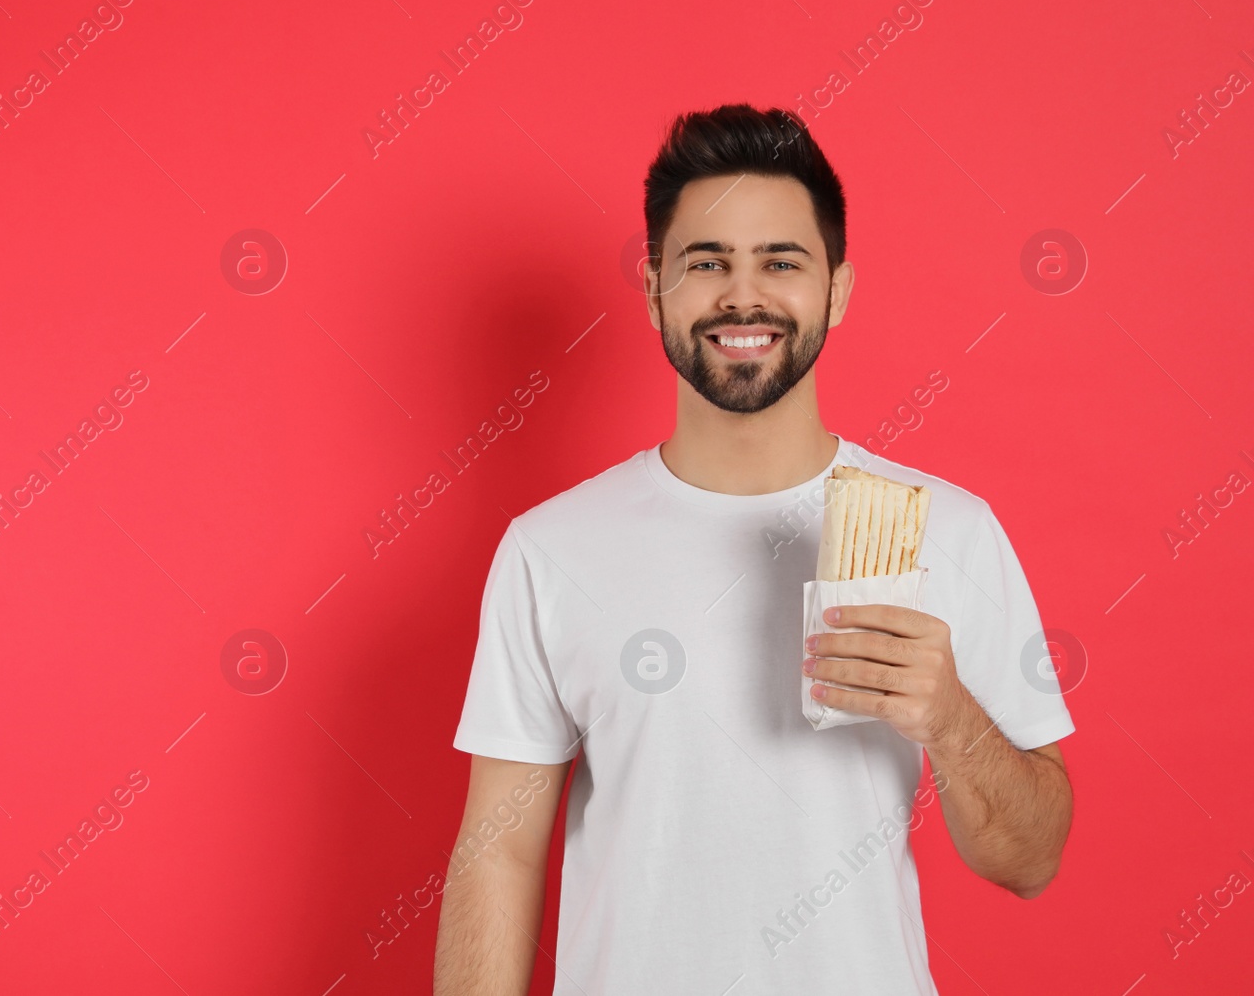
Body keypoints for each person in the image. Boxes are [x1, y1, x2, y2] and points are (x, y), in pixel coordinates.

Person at [433, 104, 1075, 995]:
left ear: (836, 291)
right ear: (655, 283)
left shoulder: (950, 530)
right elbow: (498, 852)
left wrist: (950, 716)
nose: (744, 296)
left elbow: (1030, 860)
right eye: (707, 262)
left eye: (781, 260)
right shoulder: (550, 550)